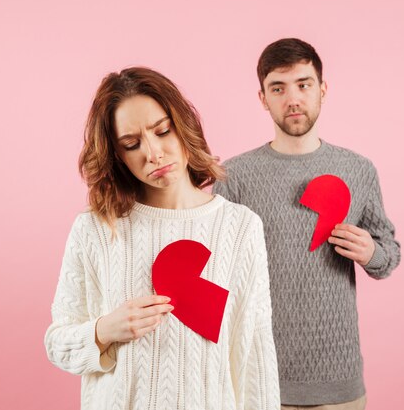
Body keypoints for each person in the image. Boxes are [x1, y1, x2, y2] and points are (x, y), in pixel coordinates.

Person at [44, 67, 280, 410]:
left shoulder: (241, 227)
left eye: (162, 131)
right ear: (117, 155)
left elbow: (254, 356)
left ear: (183, 125)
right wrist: (105, 330)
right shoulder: (95, 228)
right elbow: (57, 344)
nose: (153, 153)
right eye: (132, 144)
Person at [213, 38, 401, 410]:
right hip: (257, 378)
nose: (293, 99)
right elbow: (213, 268)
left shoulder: (357, 170)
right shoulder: (234, 176)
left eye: (304, 84)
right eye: (278, 88)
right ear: (263, 98)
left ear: (322, 89)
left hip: (339, 381)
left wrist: (372, 252)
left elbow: (389, 255)